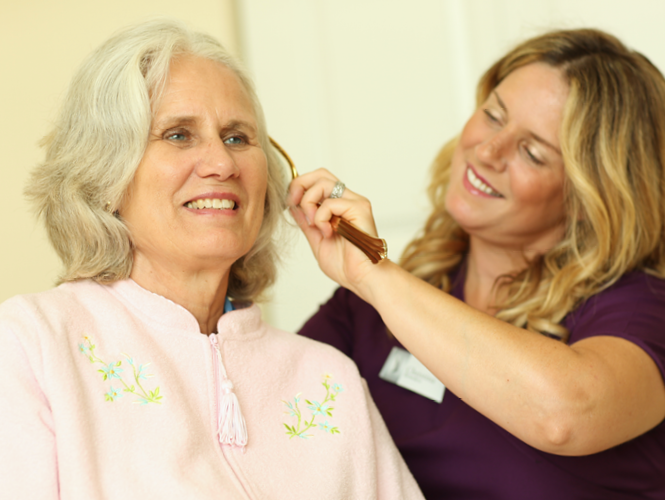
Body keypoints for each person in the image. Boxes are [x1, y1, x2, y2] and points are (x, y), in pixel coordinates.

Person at [0, 19, 425, 500]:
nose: (222, 164)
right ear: (105, 173)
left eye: (238, 137)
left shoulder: (328, 378)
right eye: (178, 135)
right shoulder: (31, 342)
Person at [292, 28, 665, 499]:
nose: (487, 151)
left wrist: (373, 270)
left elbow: (564, 416)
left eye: (532, 152)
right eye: (493, 115)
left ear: (593, 197)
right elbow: (264, 424)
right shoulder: (368, 311)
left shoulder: (642, 312)